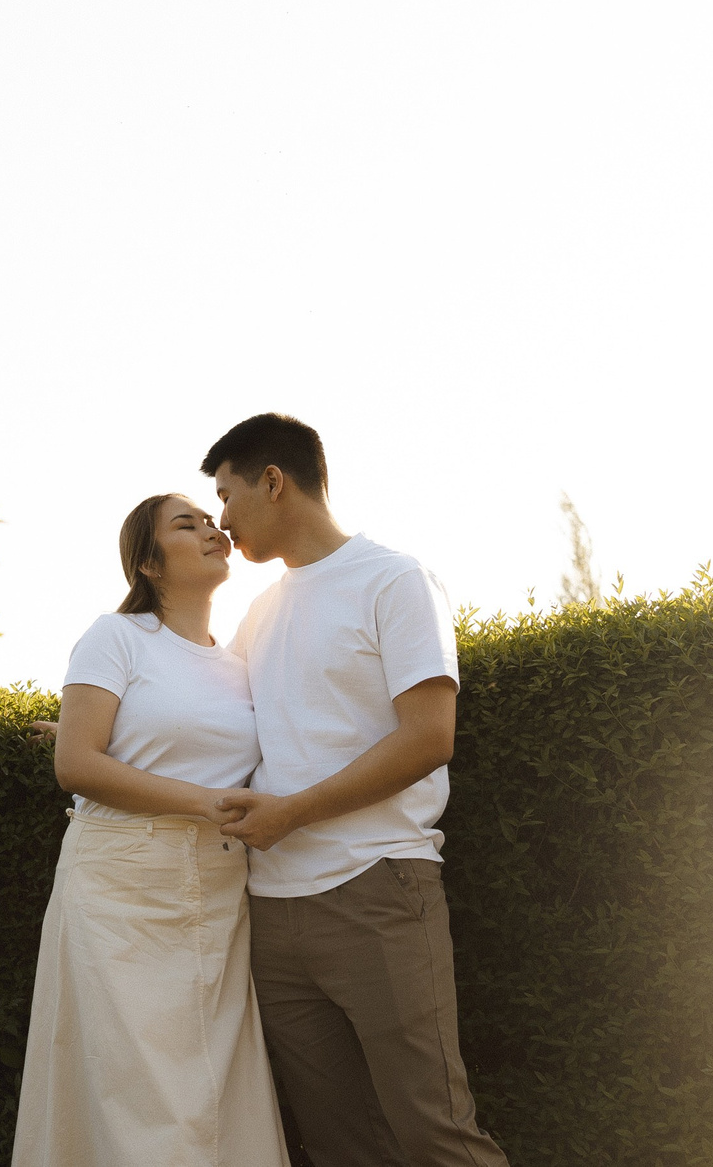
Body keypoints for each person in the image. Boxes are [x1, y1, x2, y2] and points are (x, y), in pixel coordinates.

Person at [206, 413, 510, 1167]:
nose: (221, 518)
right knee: (340, 1145)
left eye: (226, 492)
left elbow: (427, 736)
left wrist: (292, 813)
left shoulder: (394, 578)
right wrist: (94, 722)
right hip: (272, 914)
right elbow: (207, 715)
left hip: (377, 889)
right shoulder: (259, 612)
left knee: (432, 1131)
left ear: (273, 482)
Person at [11, 493, 291, 1167]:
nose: (211, 527)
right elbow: (76, 762)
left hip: (218, 894)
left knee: (216, 1100)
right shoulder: (115, 637)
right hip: (118, 896)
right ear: (149, 563)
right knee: (132, 1105)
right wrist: (202, 801)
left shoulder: (244, 662)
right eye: (185, 523)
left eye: (209, 517)